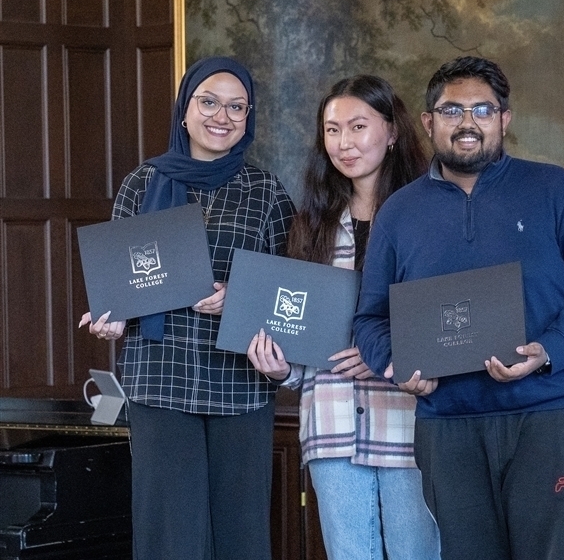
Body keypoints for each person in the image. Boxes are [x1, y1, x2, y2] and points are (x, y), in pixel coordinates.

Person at [353, 56, 564, 560]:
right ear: (427, 121)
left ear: (504, 119)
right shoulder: (398, 213)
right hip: (449, 427)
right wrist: (396, 364)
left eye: (482, 110)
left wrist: (547, 350)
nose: (467, 122)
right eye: (451, 110)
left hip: (557, 416)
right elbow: (371, 319)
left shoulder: (557, 191)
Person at [78, 56, 296, 560]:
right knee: (167, 539)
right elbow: (122, 282)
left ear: (249, 117)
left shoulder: (266, 192)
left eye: (236, 107)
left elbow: (293, 291)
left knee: (242, 537)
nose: (222, 116)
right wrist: (113, 319)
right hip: (159, 383)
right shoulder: (142, 183)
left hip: (240, 385)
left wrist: (238, 299)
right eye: (209, 102)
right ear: (184, 110)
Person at [246, 75, 440, 560]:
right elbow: (300, 330)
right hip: (331, 426)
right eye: (332, 130)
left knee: (418, 553)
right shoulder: (312, 222)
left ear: (392, 131)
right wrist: (280, 367)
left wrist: (383, 352)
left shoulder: (427, 217)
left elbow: (447, 318)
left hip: (408, 423)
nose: (344, 143)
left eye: (358, 126)